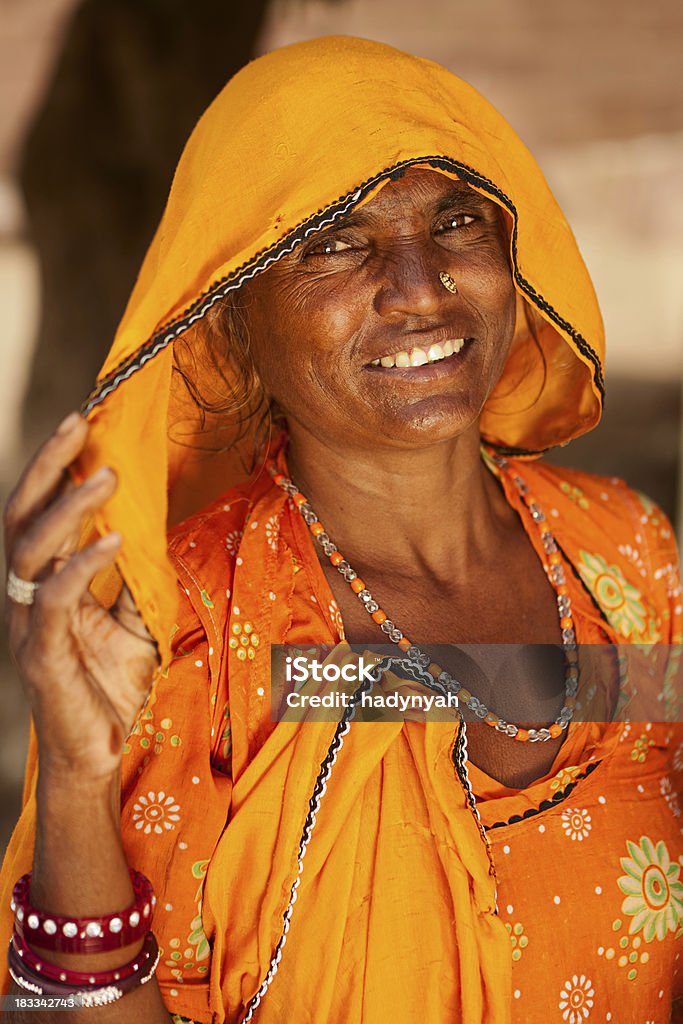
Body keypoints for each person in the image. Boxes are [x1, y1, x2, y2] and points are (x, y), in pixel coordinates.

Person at [1, 35, 682, 1024]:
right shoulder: (178, 635)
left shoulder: (624, 556)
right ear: (230, 313)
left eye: (454, 220)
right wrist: (75, 776)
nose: (418, 283)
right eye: (333, 240)